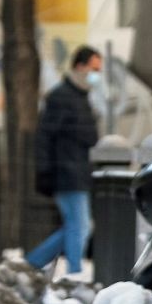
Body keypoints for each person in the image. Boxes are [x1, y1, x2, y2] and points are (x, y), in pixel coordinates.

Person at [27, 46, 102, 278]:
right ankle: (74, 273)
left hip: (74, 171)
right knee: (80, 226)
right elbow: (45, 137)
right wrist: (45, 170)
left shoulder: (77, 96)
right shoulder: (63, 97)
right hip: (66, 172)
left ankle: (33, 263)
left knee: (76, 226)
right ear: (80, 66)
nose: (96, 74)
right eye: (94, 68)